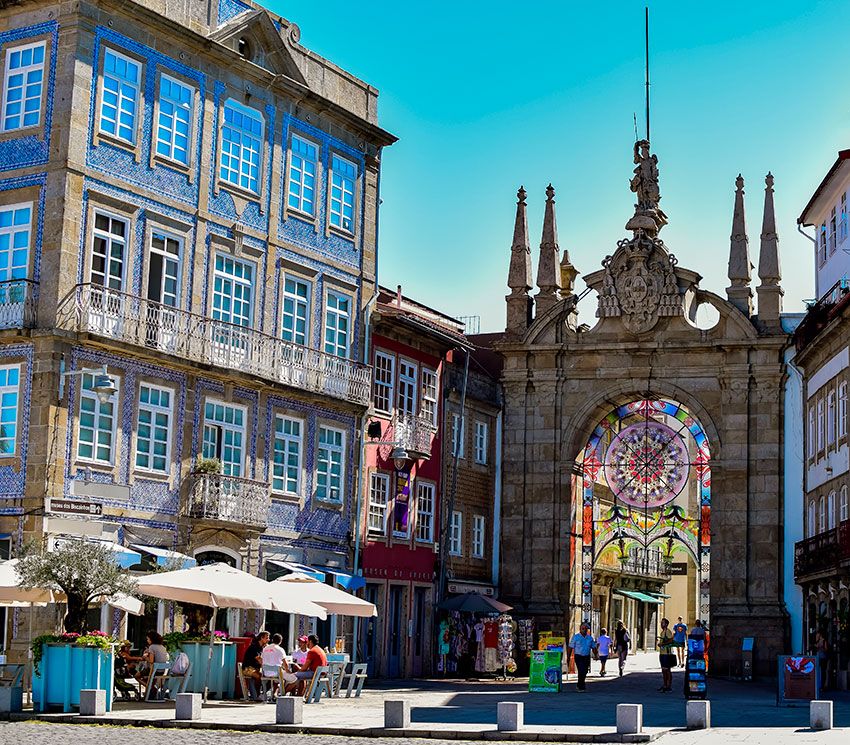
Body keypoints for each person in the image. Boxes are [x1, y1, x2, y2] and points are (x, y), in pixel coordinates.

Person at [136, 631, 169, 698]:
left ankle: (151, 688)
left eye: (148, 639)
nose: (147, 641)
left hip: (154, 670)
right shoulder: (163, 647)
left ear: (152, 639)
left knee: (137, 676)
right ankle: (151, 689)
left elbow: (151, 661)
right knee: (148, 678)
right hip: (161, 671)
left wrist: (145, 657)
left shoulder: (152, 647)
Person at [261, 633, 291, 699]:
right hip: (276, 672)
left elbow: (262, 661)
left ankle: (274, 693)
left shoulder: (265, 648)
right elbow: (285, 664)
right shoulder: (280, 649)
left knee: (278, 677)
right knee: (289, 678)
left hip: (266, 672)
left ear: (272, 640)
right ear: (280, 641)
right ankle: (280, 693)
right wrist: (288, 671)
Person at [241, 631, 269, 701]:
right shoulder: (254, 647)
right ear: (261, 638)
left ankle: (258, 695)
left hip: (255, 669)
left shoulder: (261, 648)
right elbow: (260, 660)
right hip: (247, 669)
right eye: (267, 638)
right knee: (260, 677)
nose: (268, 640)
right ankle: (257, 695)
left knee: (266, 677)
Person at [568, 623, 597, 692]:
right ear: (580, 629)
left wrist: (596, 655)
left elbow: (593, 647)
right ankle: (581, 686)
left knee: (585, 671)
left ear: (587, 630)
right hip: (578, 656)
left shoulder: (590, 638)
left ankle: (579, 684)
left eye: (585, 629)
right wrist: (568, 657)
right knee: (581, 670)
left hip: (586, 656)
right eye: (582, 629)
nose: (584, 630)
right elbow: (570, 647)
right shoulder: (576, 637)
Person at [657, 618, 676, 692]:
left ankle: (668, 685)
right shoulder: (662, 632)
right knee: (663, 670)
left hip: (667, 654)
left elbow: (671, 640)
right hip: (662, 653)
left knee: (667, 670)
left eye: (663, 623)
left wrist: (663, 644)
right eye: (661, 623)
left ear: (666, 624)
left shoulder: (668, 632)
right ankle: (665, 684)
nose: (662, 624)